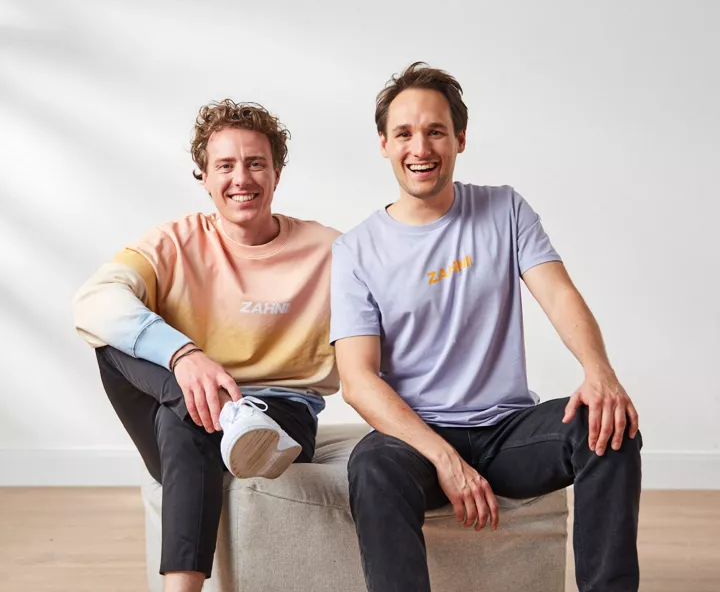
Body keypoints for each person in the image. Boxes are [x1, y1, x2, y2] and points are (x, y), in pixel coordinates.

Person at [330, 62, 642, 592]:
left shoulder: (505, 209)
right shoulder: (356, 250)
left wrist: (599, 372)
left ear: (460, 138)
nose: (420, 148)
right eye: (404, 134)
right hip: (418, 439)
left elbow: (559, 294)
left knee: (609, 425)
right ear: (384, 144)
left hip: (506, 432)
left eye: (435, 131)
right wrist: (444, 458)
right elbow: (358, 381)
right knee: (372, 465)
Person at [73, 100, 339, 592]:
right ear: (204, 176)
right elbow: (93, 301)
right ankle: (217, 407)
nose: (242, 178)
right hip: (186, 392)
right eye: (226, 165)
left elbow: (398, 305)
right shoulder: (174, 242)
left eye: (255, 163)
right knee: (116, 342)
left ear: (276, 174)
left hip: (279, 415)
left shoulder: (327, 249)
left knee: (184, 419)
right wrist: (184, 355)